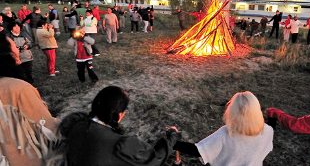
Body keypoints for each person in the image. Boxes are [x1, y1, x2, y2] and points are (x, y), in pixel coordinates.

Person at [59, 86, 179, 166]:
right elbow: (155, 158)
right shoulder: (120, 145)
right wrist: (172, 136)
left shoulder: (77, 127)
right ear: (120, 114)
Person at [0, 33, 59, 166]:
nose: (18, 49)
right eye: (15, 46)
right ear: (6, 53)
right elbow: (45, 127)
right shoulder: (18, 89)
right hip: (23, 159)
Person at [174, 91, 273, 166]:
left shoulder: (226, 134)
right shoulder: (268, 130)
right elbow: (272, 128)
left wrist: (173, 143)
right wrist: (273, 118)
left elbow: (199, 151)